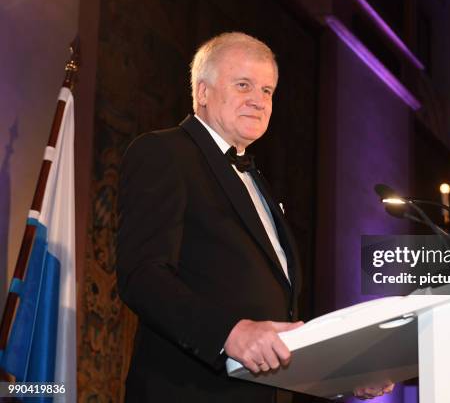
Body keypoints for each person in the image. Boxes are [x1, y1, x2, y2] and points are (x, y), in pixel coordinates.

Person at [116, 32, 393, 402]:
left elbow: (275, 320)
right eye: (243, 85)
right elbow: (143, 276)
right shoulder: (165, 153)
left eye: (267, 90)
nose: (258, 101)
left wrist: (341, 375)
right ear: (202, 92)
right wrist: (229, 333)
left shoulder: (258, 181)